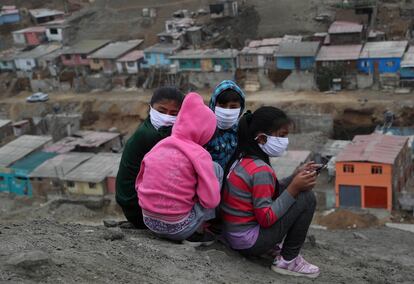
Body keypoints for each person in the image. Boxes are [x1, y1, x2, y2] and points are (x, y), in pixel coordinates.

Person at [221, 107, 320, 279]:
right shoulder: (261, 170)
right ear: (261, 138)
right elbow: (266, 219)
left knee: (292, 193)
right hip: (249, 242)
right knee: (307, 198)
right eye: (281, 136)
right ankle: (289, 260)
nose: (285, 141)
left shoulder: (243, 159)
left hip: (234, 235)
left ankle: (277, 251)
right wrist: (294, 188)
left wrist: (294, 177)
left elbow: (268, 190)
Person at [136, 92, 222, 246]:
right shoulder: (200, 154)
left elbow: (139, 183)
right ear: (205, 131)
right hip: (179, 229)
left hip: (149, 222)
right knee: (215, 169)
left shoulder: (160, 145)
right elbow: (211, 201)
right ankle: (198, 234)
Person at [116, 87, 184, 229]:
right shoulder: (150, 135)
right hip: (136, 208)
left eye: (174, 113)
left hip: (136, 204)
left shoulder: (155, 129)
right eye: (161, 110)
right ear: (150, 108)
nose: (166, 116)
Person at [206, 80, 245, 171]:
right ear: (213, 105)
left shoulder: (242, 131)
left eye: (233, 107)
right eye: (222, 106)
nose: (227, 112)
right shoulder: (205, 132)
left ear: (241, 109)